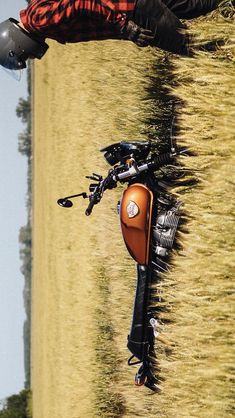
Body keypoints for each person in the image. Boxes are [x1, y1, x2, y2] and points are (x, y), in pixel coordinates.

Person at [0, 0, 219, 72]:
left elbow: (81, 3)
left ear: (17, 46)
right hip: (133, 6)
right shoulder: (36, 8)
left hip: (134, 10)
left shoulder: (39, 20)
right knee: (198, 4)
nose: (33, 58)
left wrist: (125, 26)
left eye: (26, 57)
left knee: (195, 47)